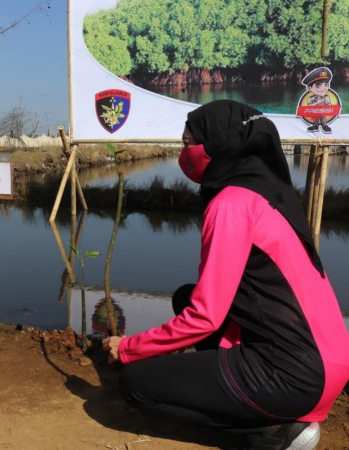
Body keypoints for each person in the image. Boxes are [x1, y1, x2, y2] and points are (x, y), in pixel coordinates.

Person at [103, 100, 349, 449]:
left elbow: (205, 316)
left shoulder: (230, 206)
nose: (183, 151)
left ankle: (267, 434)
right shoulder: (270, 193)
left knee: (135, 384)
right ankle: (269, 404)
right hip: (329, 361)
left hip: (296, 375)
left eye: (188, 142)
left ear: (219, 145)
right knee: (184, 296)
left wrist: (129, 347)